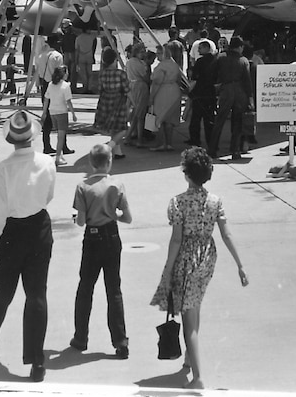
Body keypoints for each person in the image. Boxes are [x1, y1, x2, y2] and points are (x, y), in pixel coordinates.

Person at [149, 147, 248, 390]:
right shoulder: (215, 201)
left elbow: (176, 240)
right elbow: (226, 234)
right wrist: (240, 264)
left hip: (186, 261)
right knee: (195, 307)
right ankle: (188, 359)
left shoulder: (178, 202)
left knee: (188, 319)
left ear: (186, 173)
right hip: (207, 258)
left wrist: (168, 269)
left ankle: (198, 378)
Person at [0, 110, 56, 382]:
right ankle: (37, 361)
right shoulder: (47, 162)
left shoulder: (4, 168)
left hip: (12, 232)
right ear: (33, 136)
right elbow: (49, 195)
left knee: (3, 291)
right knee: (37, 294)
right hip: (40, 227)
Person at [70, 143, 131, 358]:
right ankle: (120, 341)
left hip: (92, 237)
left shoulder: (83, 187)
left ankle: (80, 338)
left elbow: (81, 221)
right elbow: (128, 217)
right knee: (114, 289)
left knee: (85, 287)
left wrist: (79, 217)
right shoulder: (117, 185)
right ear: (110, 162)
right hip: (112, 236)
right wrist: (112, 214)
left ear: (90, 163)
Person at [209, 37, 252, 160]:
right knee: (237, 122)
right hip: (239, 91)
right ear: (239, 47)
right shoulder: (243, 61)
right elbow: (247, 81)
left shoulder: (221, 57)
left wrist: (216, 84)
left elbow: (211, 72)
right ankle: (235, 150)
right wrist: (250, 97)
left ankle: (212, 149)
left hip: (226, 89)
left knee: (220, 120)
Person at [93, 47, 130, 159]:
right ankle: (109, 148)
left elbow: (100, 89)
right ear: (115, 60)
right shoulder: (121, 74)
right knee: (123, 129)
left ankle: (118, 152)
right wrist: (134, 102)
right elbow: (127, 91)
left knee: (115, 128)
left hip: (106, 101)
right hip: (119, 102)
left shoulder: (102, 74)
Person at [149, 42, 186, 152]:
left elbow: (157, 82)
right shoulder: (175, 65)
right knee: (170, 119)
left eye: (159, 53)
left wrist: (151, 97)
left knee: (160, 118)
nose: (157, 56)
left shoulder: (162, 66)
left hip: (163, 92)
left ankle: (160, 143)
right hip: (174, 91)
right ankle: (169, 143)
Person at [187, 39, 217, 148]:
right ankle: (211, 142)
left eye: (200, 48)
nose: (198, 50)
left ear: (206, 48)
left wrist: (190, 91)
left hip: (199, 94)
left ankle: (195, 140)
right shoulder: (216, 61)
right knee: (209, 120)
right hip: (211, 94)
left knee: (196, 119)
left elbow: (194, 79)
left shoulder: (200, 62)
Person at [45, 66, 76, 165]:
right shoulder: (65, 85)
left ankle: (60, 154)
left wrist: (44, 112)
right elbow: (69, 102)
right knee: (61, 136)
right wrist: (73, 114)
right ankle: (58, 158)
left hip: (52, 111)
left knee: (58, 134)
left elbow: (46, 98)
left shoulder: (51, 84)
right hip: (61, 112)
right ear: (63, 74)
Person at [125, 42, 150, 147]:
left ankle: (129, 136)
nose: (143, 54)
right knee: (140, 115)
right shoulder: (140, 64)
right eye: (141, 52)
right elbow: (145, 77)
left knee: (136, 113)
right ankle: (139, 139)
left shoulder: (129, 62)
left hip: (132, 86)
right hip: (140, 86)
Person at [74, 26, 97, 94]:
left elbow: (77, 50)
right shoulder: (91, 37)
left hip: (81, 57)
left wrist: (76, 60)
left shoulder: (78, 38)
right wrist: (98, 26)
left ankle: (85, 87)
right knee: (90, 74)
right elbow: (98, 33)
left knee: (83, 74)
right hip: (89, 57)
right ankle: (89, 88)